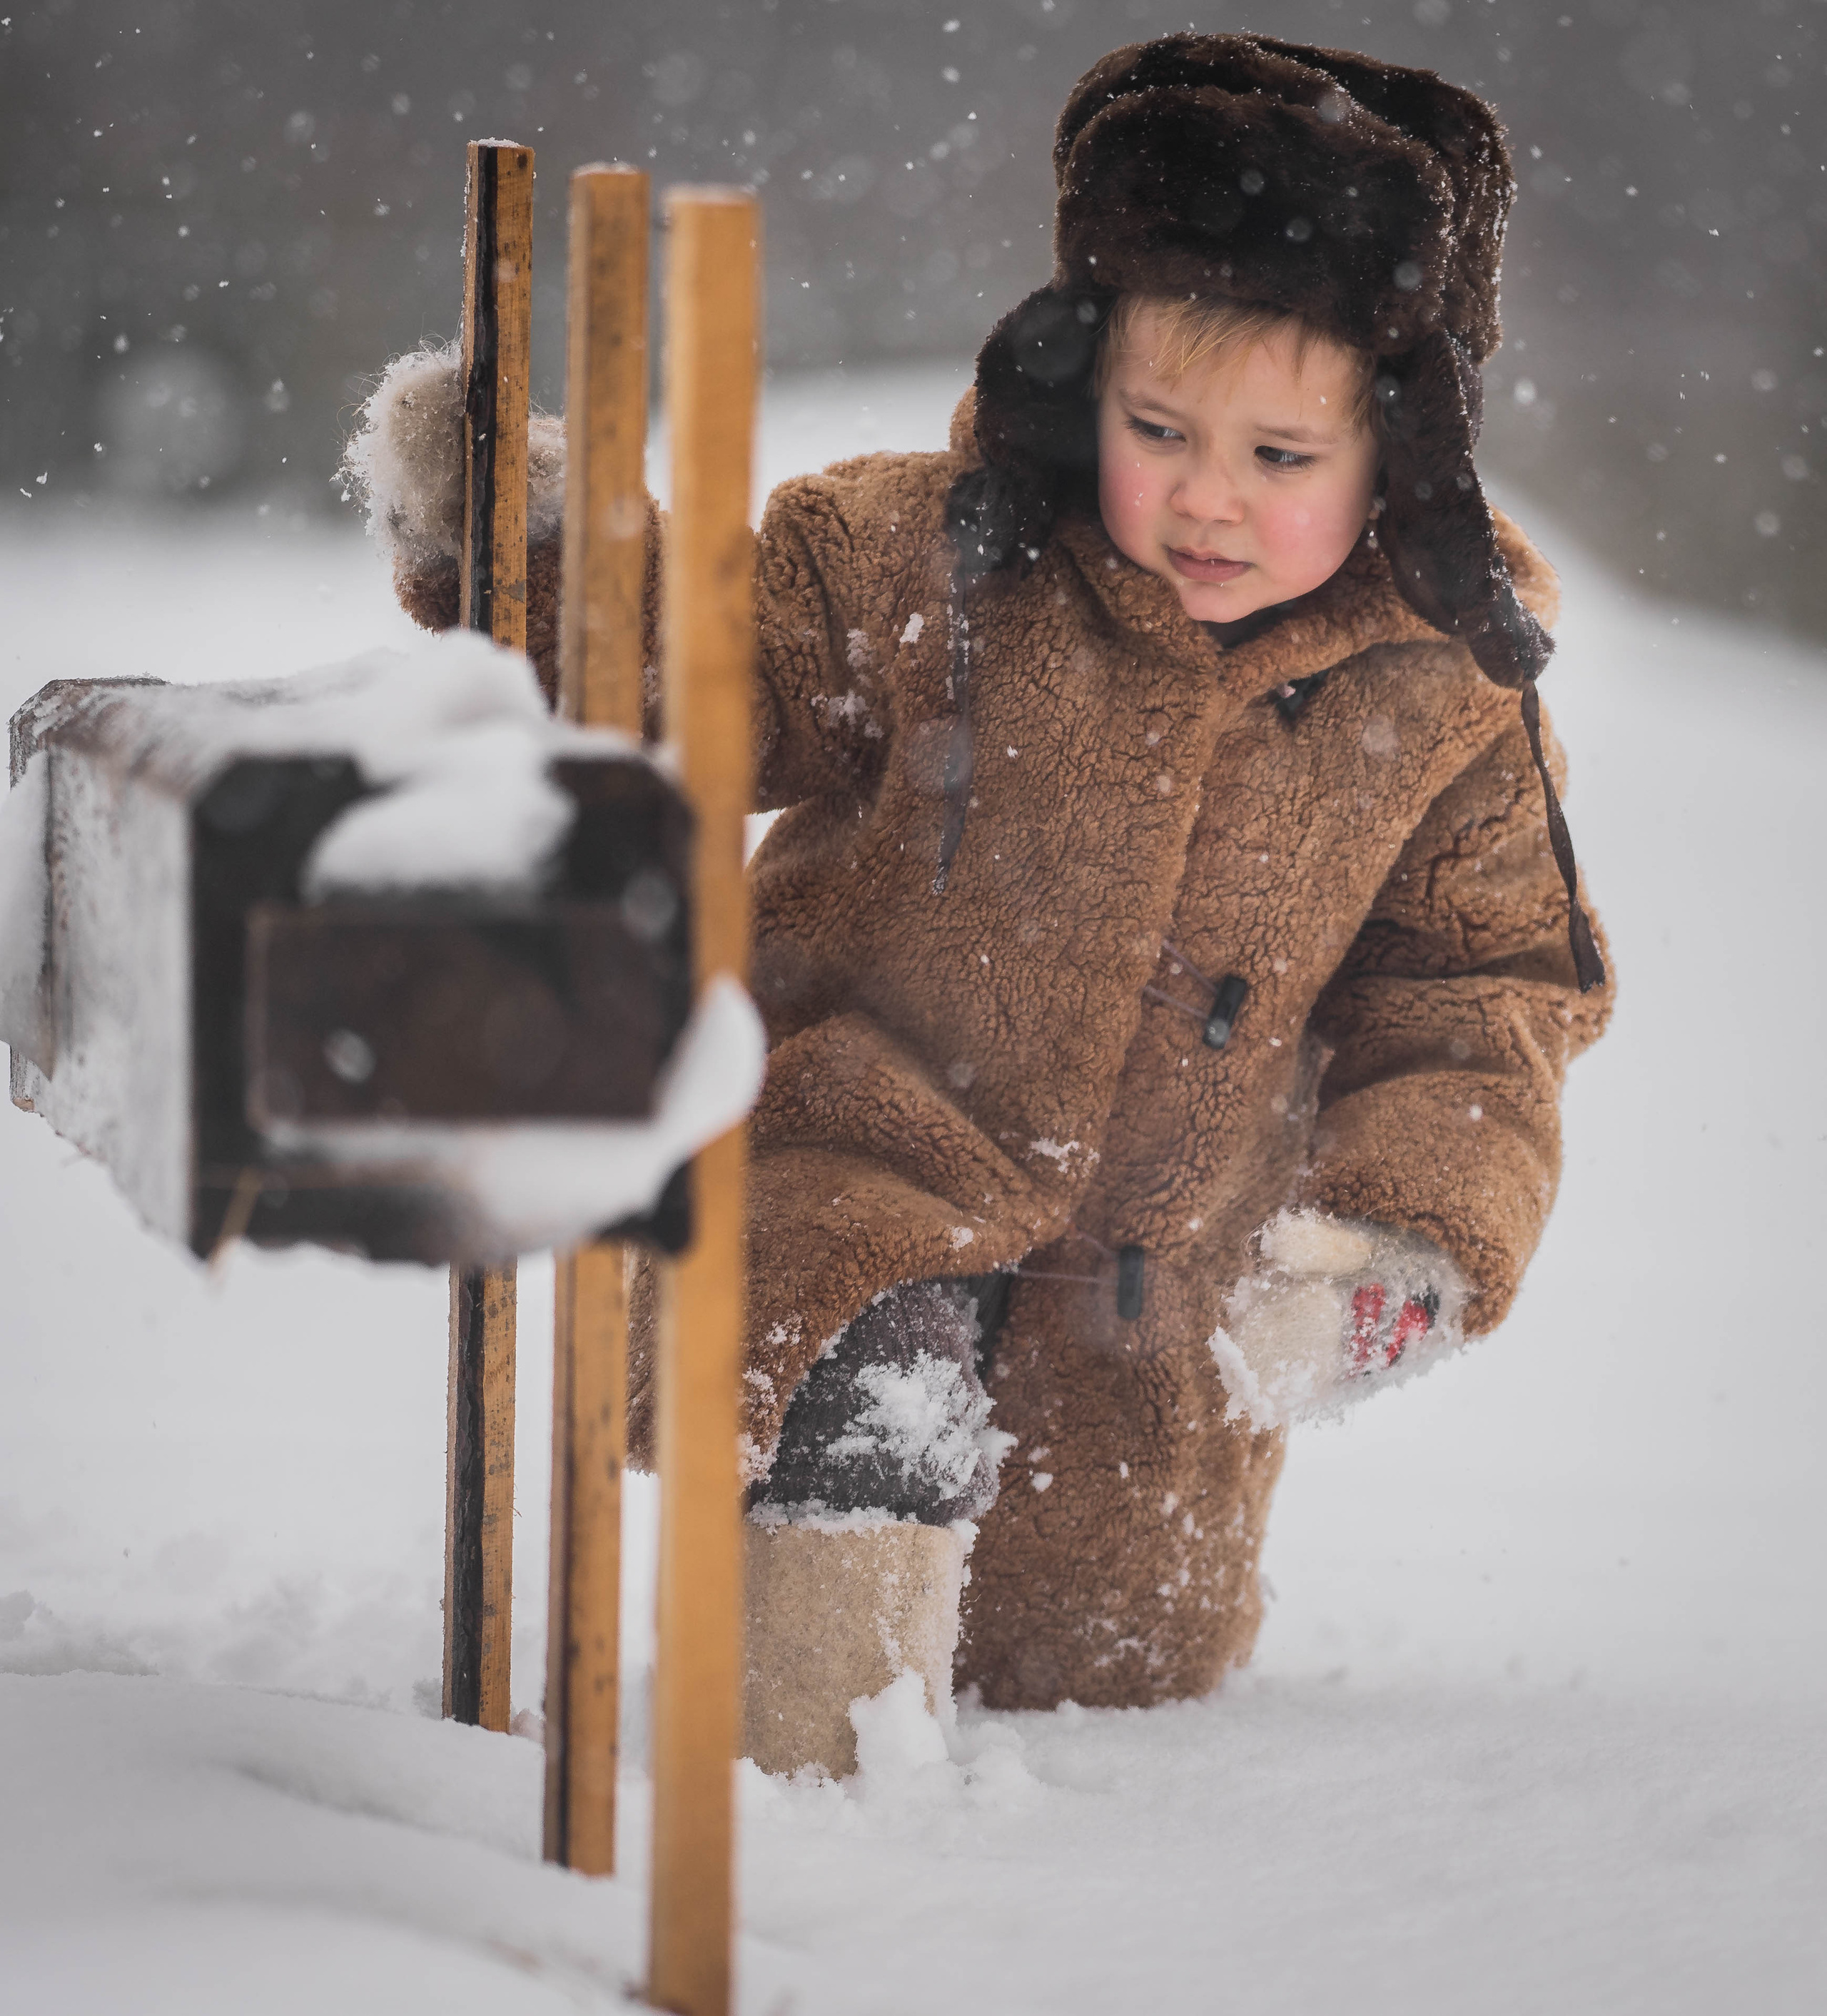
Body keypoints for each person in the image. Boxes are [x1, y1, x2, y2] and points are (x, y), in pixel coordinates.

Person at [345, 32, 1611, 1773]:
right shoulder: (927, 564)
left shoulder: (1444, 695)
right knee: (868, 1388)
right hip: (856, 1176)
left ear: (1402, 452)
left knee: (1087, 1675)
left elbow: (1482, 992)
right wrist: (546, 547)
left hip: (1144, 1321)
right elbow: (698, 675)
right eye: (1156, 429)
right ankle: (815, 1806)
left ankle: (995, 1865)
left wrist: (1403, 1230)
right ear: (1079, 380)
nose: (1205, 494)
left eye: (1276, 455)